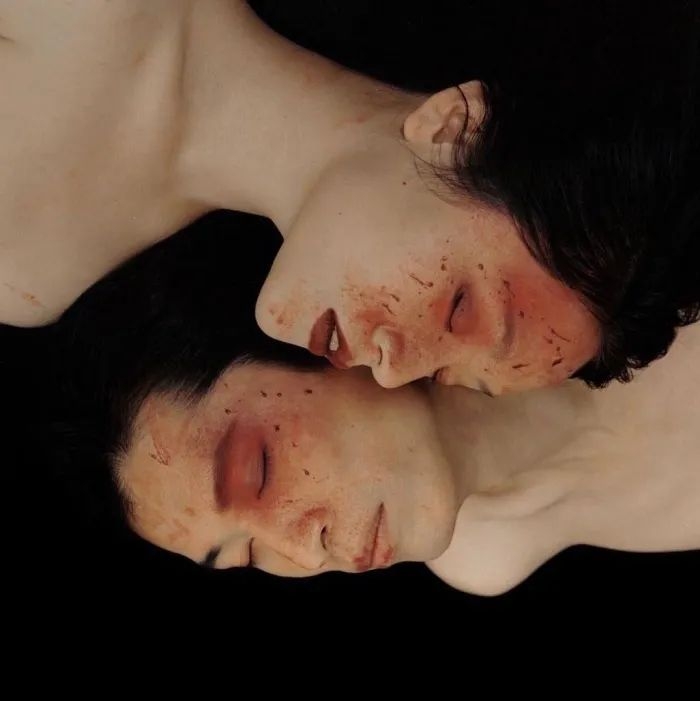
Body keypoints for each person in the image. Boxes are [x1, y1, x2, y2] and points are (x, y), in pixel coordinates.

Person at [2, 1, 698, 395]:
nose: (392, 372)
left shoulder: (35, 277)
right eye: (458, 306)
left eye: (448, 375)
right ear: (451, 126)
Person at [41, 211, 700, 596]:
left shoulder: (584, 254)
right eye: (248, 557)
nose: (305, 552)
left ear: (308, 331)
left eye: (259, 470)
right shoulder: (487, 554)